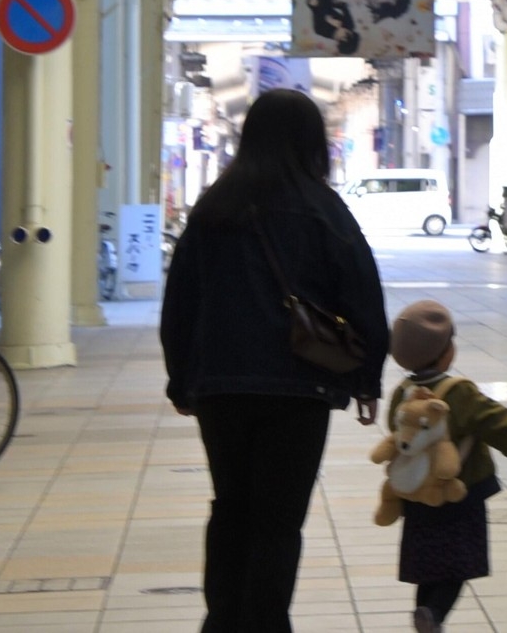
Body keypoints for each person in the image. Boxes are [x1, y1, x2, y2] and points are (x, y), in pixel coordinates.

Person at [160, 88, 390, 633]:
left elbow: (181, 301)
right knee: (279, 521)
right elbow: (363, 294)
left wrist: (182, 380)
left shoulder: (215, 206)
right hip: (299, 389)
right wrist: (367, 376)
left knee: (231, 507)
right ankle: (265, 623)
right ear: (313, 142)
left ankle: (221, 620)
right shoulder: (323, 208)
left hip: (221, 387)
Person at [386, 299, 507, 633]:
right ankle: (434, 613)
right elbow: (500, 426)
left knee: (429, 564)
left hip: (418, 496)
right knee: (456, 565)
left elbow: (396, 434)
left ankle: (424, 610)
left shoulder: (402, 394)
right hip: (461, 495)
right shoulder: (459, 393)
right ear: (446, 352)